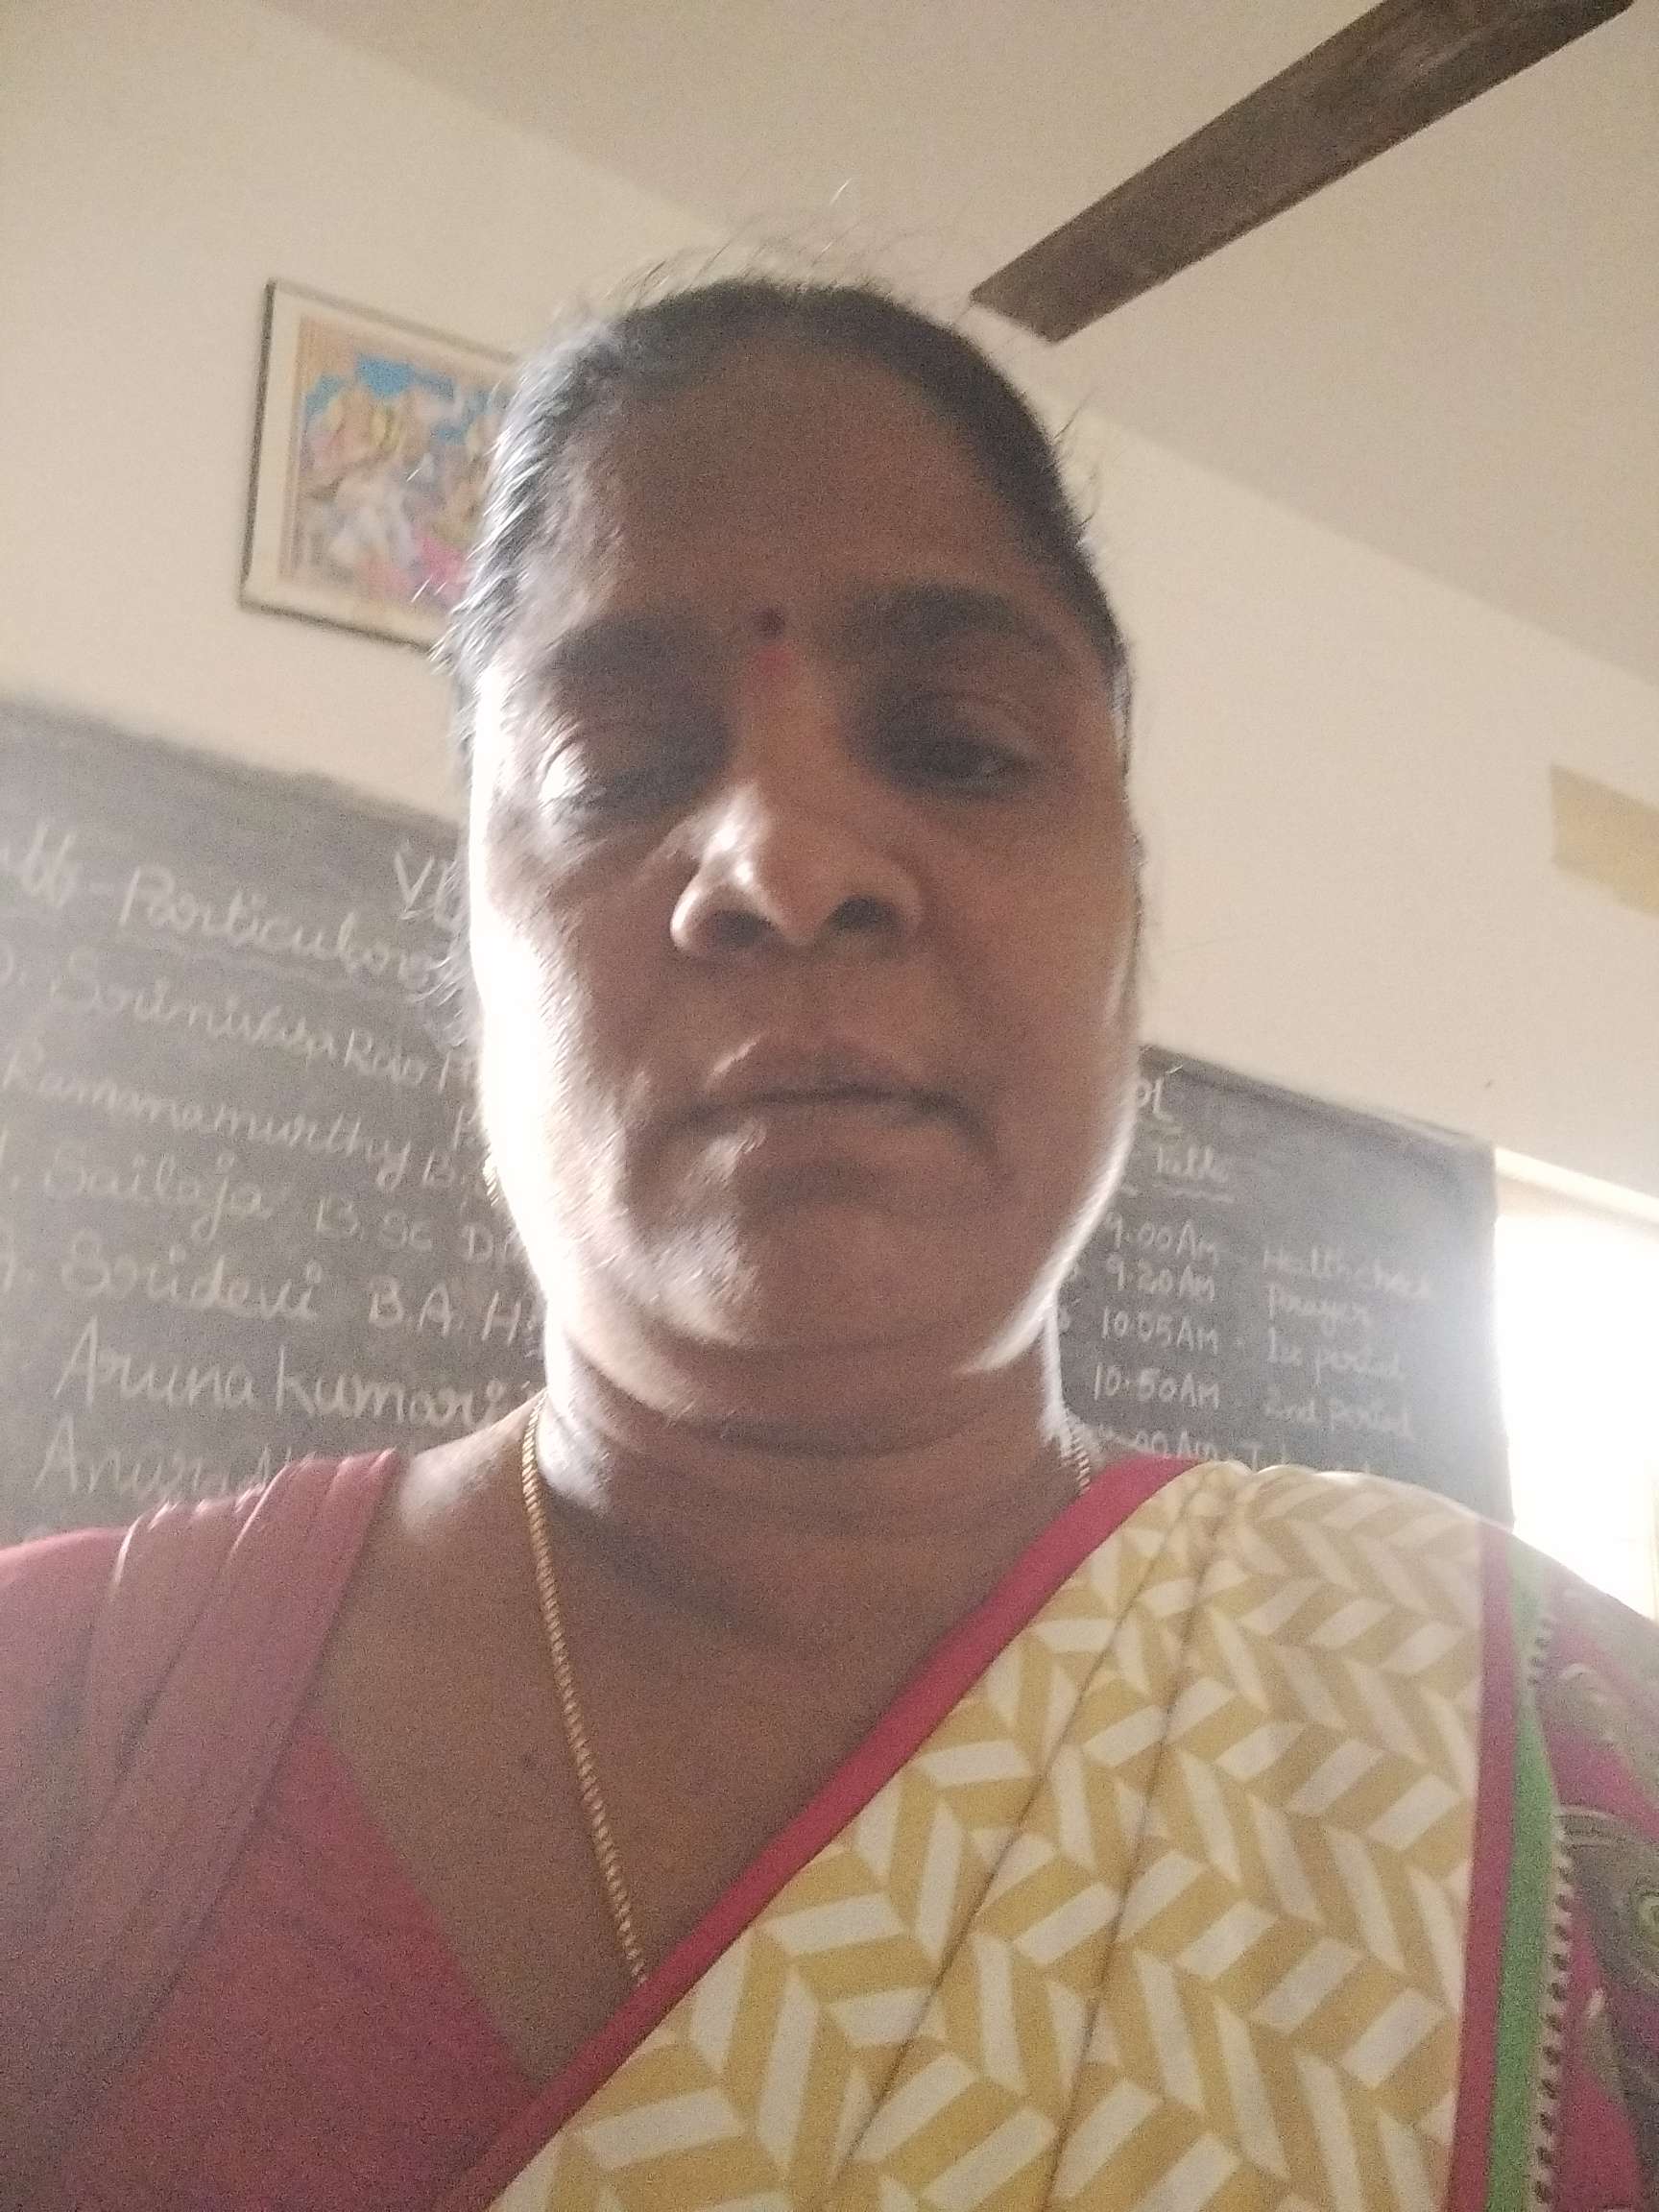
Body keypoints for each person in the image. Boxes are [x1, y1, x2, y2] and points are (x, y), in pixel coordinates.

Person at [4, 274, 1659, 2212]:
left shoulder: (1549, 1747)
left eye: (958, 746)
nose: (784, 862)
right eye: (615, 773)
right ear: (472, 942)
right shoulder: (56, 1737)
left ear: (1129, 916)